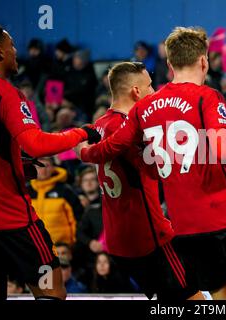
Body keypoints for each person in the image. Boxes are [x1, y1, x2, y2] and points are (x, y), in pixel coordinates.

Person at [79, 27, 226, 300]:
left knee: (223, 295)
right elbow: (222, 148)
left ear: (169, 64)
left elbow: (111, 147)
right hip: (223, 215)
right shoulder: (207, 97)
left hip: (185, 228)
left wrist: (83, 151)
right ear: (203, 61)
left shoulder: (143, 108)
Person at [0, 24, 100, 300]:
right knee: (53, 292)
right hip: (12, 220)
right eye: (12, 46)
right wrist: (82, 131)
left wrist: (15, 162)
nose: (16, 52)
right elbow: (36, 144)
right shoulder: (5, 93)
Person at [81, 61, 203, 301]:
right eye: (149, 86)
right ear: (136, 91)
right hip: (149, 237)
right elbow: (161, 170)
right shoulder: (129, 128)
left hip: (118, 241)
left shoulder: (100, 125)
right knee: (192, 297)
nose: (154, 92)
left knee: (165, 300)